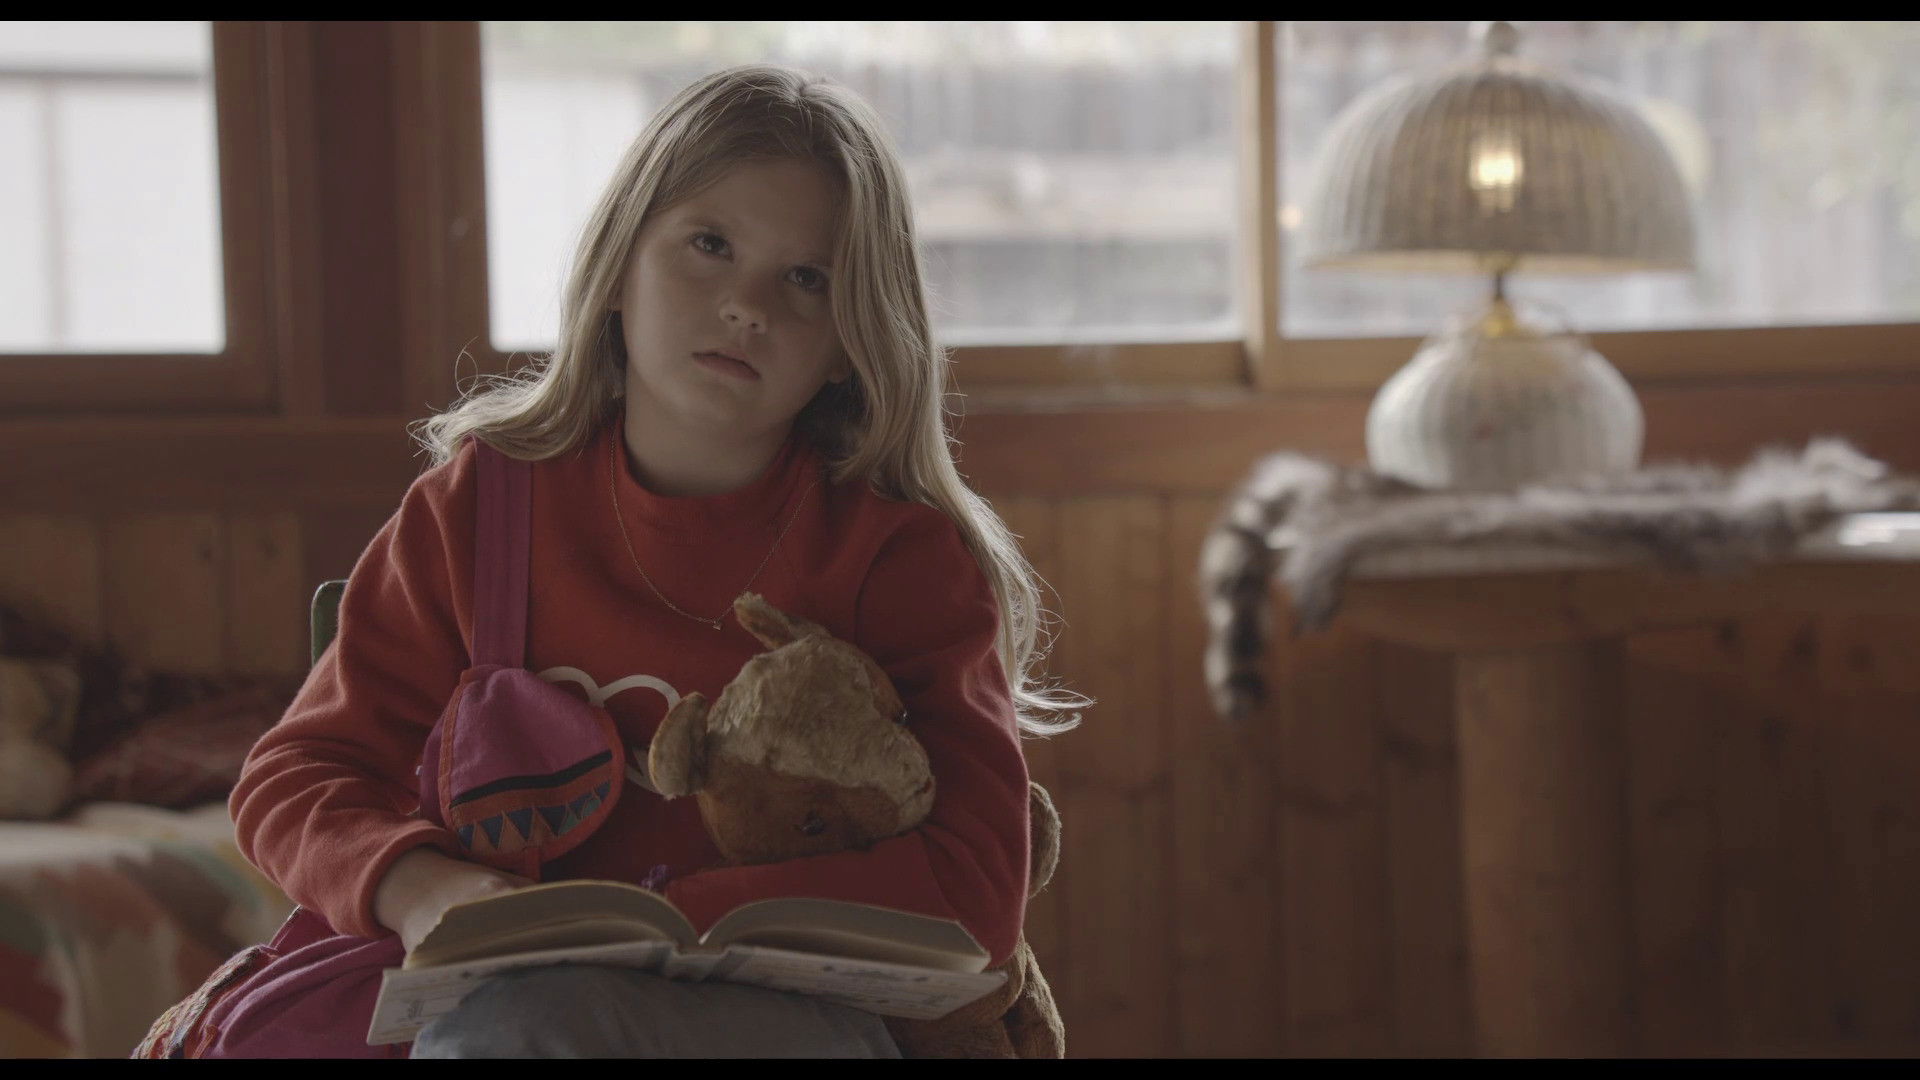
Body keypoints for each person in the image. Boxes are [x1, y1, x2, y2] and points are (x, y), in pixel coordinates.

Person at [227, 63, 1088, 1058]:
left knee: (522, 1022)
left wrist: (667, 917)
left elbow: (978, 890)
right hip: (495, 1014)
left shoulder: (902, 557)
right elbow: (293, 778)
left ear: (851, 342)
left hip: (800, 1025)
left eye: (805, 278)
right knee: (514, 1020)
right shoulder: (477, 513)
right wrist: (422, 889)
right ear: (619, 266)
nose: (746, 306)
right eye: (710, 246)